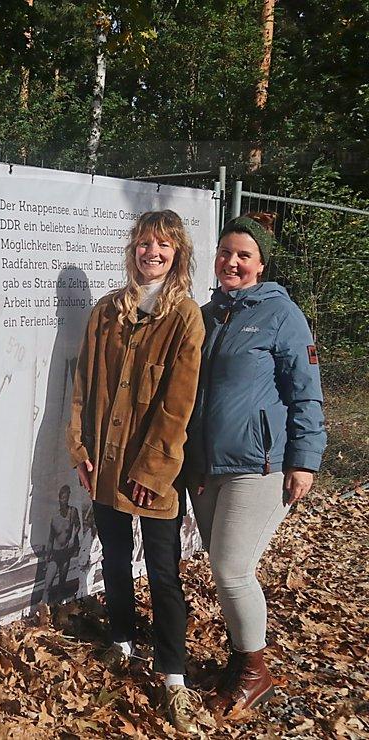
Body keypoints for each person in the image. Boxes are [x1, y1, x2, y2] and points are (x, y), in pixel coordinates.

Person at [65, 210, 205, 732]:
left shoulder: (185, 316)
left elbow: (178, 403)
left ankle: (173, 674)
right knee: (117, 560)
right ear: (133, 250)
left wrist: (151, 471)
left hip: (155, 473)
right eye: (145, 243)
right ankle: (121, 642)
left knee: (165, 574)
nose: (153, 252)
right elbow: (82, 387)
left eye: (164, 245)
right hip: (105, 465)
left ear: (177, 254)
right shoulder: (106, 311)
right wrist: (80, 449)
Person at [185, 213, 326, 715]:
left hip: (260, 465)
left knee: (231, 567)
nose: (232, 262)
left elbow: (305, 393)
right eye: (226, 252)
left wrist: (304, 460)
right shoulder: (203, 315)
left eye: (244, 254)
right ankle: (238, 656)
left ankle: (254, 672)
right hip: (205, 467)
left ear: (261, 263)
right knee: (223, 568)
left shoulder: (281, 315)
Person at [43, 484, 82, 600]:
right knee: (47, 584)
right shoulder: (54, 517)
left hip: (66, 552)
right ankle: (43, 606)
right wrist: (47, 556)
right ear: (59, 499)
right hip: (55, 552)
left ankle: (58, 605)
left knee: (62, 582)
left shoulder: (72, 511)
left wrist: (72, 538)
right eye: (62, 498)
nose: (64, 500)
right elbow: (50, 538)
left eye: (66, 498)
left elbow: (77, 525)